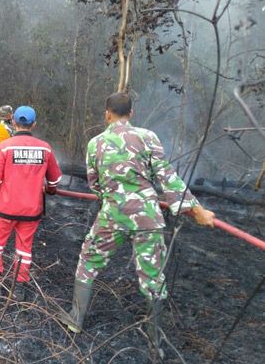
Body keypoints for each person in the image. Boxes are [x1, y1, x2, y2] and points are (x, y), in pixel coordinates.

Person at [58, 92, 215, 355]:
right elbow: (166, 176)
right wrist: (196, 210)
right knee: (152, 276)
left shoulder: (96, 143)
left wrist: (112, 198)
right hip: (147, 216)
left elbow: (94, 183)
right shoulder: (148, 137)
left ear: (107, 114)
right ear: (131, 114)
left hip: (112, 215)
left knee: (88, 260)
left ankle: (75, 319)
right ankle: (155, 341)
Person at [0, 106, 62, 302]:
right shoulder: (45, 148)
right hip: (32, 211)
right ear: (34, 124)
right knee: (24, 249)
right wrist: (50, 190)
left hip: (5, 210)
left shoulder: (5, 147)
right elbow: (55, 180)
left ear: (13, 122)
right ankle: (19, 289)